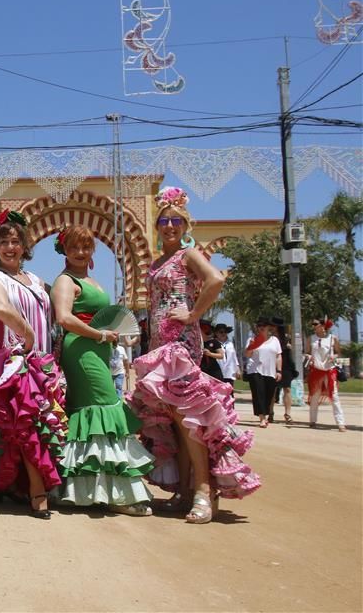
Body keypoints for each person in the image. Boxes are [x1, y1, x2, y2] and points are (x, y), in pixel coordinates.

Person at [132, 187, 260, 525]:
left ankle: (204, 490)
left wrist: (193, 316)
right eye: (164, 221)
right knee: (173, 419)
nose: (170, 226)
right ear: (156, 226)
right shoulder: (158, 261)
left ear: (186, 225)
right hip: (159, 346)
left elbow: (215, 280)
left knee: (188, 416)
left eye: (176, 221)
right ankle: (186, 491)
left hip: (180, 345)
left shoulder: (188, 255)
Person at [50, 225, 154, 516]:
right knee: (104, 408)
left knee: (94, 410)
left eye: (86, 247)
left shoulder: (89, 280)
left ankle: (86, 489)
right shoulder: (65, 281)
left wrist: (105, 337)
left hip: (96, 350)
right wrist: (98, 336)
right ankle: (117, 494)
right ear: (65, 251)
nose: (81, 252)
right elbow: (64, 318)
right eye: (74, 248)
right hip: (82, 351)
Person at [0, 211, 66, 519]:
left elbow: (54, 318)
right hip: (12, 361)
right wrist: (25, 332)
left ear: (25, 246)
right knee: (25, 423)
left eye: (16, 241)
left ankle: (17, 484)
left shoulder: (37, 281)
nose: (10, 247)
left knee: (39, 424)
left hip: (40, 360)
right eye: (4, 242)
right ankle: (37, 491)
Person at [305, 318, 347, 432]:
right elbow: (306, 352)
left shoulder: (333, 338)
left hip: (329, 370)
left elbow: (338, 352)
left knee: (334, 396)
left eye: (315, 324)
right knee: (315, 396)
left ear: (323, 325)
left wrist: (334, 356)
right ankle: (312, 420)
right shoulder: (311, 339)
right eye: (313, 324)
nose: (313, 326)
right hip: (316, 370)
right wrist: (309, 357)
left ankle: (340, 423)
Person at [245, 317, 283, 428]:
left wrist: (279, 371)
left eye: (264, 326)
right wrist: (251, 346)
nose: (261, 328)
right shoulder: (252, 339)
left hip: (270, 371)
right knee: (258, 393)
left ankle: (266, 414)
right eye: (259, 326)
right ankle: (262, 418)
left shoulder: (275, 340)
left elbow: (278, 356)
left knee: (269, 394)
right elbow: (247, 355)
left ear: (268, 328)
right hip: (255, 370)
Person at [274, 318, 298, 425]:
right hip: (273, 364)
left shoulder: (287, 337)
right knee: (273, 389)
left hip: (286, 364)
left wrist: (290, 347)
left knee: (287, 389)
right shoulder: (270, 338)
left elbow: (293, 349)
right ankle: (270, 412)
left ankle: (287, 413)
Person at [214, 323, 239, 392]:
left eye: (225, 332)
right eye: (221, 332)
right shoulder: (213, 343)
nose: (223, 334)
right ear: (216, 333)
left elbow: (234, 357)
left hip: (230, 372)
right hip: (217, 372)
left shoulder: (230, 343)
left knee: (229, 393)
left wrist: (237, 368)